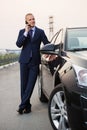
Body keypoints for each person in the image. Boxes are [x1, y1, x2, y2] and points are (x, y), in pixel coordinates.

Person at [16, 13, 49, 114]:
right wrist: (26, 32)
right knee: (24, 85)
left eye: (33, 19)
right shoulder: (22, 31)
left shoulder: (40, 31)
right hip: (24, 61)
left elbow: (47, 43)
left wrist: (51, 52)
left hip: (34, 62)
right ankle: (27, 107)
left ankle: (22, 106)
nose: (32, 21)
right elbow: (18, 44)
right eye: (30, 20)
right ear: (26, 21)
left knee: (30, 85)